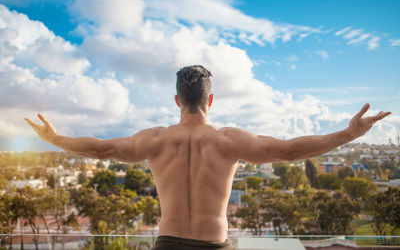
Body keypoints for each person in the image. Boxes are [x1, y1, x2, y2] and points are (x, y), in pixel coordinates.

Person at [25, 65, 391, 250]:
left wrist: (54, 138)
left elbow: (101, 148)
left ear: (177, 101)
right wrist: (348, 134)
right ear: (210, 100)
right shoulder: (227, 141)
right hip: (215, 245)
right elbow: (290, 150)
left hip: (167, 244)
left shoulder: (154, 140)